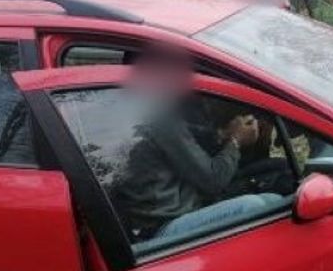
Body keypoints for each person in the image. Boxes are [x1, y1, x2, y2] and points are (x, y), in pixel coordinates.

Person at [115, 45, 284, 242]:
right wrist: (235, 141)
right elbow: (213, 180)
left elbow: (187, 135)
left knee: (274, 201)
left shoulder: (131, 110)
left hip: (157, 220)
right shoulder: (156, 119)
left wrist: (222, 134)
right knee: (259, 207)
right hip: (163, 230)